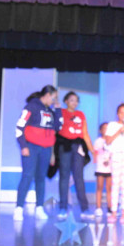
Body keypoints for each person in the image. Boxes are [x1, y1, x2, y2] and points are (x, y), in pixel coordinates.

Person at [14, 85, 62, 221]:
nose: (54, 101)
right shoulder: (31, 107)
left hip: (46, 149)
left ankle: (39, 208)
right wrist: (23, 146)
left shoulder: (51, 111)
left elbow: (58, 127)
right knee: (27, 176)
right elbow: (19, 126)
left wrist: (58, 110)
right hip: (31, 147)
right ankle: (18, 208)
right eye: (54, 98)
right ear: (47, 95)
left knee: (41, 178)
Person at [55, 91, 95, 221]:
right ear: (66, 101)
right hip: (65, 146)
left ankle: (85, 208)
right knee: (64, 177)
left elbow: (85, 134)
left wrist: (92, 150)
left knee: (79, 177)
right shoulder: (61, 112)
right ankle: (63, 208)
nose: (74, 102)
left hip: (78, 146)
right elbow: (55, 130)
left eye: (76, 100)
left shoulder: (80, 114)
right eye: (72, 100)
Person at [93, 122, 112, 218]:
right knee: (99, 187)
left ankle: (110, 208)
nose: (106, 130)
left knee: (109, 188)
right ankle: (98, 207)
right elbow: (95, 153)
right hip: (100, 168)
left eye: (108, 128)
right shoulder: (98, 141)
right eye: (104, 128)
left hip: (110, 169)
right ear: (100, 131)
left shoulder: (112, 140)